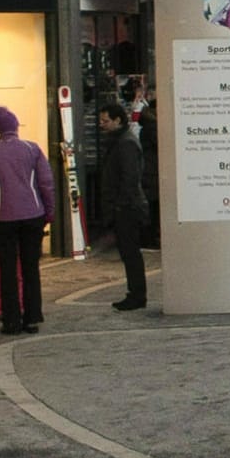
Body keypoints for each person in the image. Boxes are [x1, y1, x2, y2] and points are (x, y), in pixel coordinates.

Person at [95, 103, 150, 312]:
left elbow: (130, 177)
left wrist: (120, 205)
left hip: (127, 208)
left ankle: (137, 294)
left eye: (105, 121)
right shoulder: (120, 141)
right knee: (128, 253)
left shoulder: (125, 143)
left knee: (131, 253)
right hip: (124, 206)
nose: (102, 125)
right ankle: (135, 293)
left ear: (118, 120)